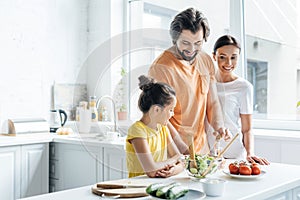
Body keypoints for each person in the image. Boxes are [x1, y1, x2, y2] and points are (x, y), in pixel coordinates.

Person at [148, 7, 231, 155]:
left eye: (198, 43)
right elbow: (159, 118)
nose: (192, 49)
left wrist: (219, 127)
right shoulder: (161, 68)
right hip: (171, 154)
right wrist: (183, 151)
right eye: (185, 43)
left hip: (200, 151)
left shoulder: (205, 60)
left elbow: (212, 102)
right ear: (175, 39)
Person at [207, 35, 269, 165]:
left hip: (233, 155)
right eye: (222, 57)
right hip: (208, 154)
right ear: (214, 56)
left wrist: (250, 153)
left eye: (233, 57)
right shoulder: (205, 82)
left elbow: (247, 129)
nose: (228, 63)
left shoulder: (244, 87)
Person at [126, 75, 185, 178]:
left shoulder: (163, 129)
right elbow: (151, 170)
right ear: (156, 110)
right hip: (138, 188)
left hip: (158, 184)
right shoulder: (137, 131)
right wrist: (174, 159)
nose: (172, 114)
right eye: (170, 110)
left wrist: (173, 170)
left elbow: (182, 162)